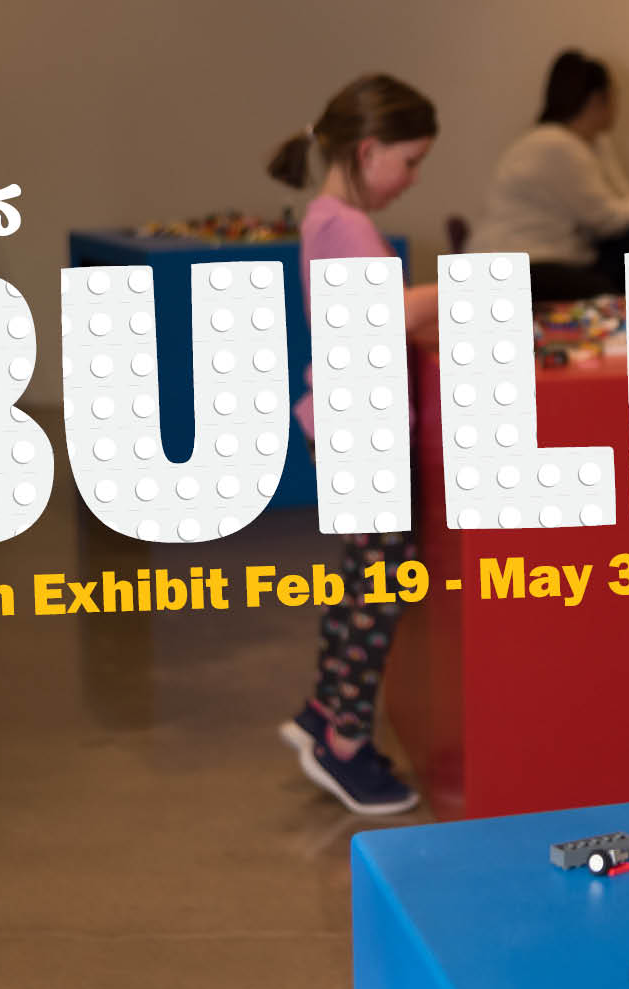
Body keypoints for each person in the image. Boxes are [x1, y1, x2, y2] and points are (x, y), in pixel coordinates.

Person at [267, 75, 439, 814]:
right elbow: (383, 314)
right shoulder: (345, 226)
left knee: (363, 576)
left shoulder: (330, 218)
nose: (411, 179)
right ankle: (344, 745)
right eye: (409, 161)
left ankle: (320, 711)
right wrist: (469, 288)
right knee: (380, 588)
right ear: (367, 151)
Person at [473, 50, 629, 301]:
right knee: (621, 274)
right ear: (598, 99)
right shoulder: (555, 145)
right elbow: (607, 218)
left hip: (554, 258)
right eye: (615, 96)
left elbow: (625, 198)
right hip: (522, 264)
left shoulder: (593, 142)